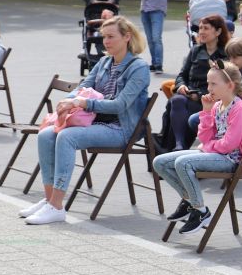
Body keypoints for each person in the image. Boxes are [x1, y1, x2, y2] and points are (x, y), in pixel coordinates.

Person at [20, 16, 150, 226]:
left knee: (66, 137)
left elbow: (120, 105)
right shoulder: (104, 61)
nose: (105, 42)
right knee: (45, 134)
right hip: (94, 123)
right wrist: (68, 101)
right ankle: (49, 199)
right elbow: (83, 87)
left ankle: (57, 207)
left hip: (121, 129)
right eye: (103, 37)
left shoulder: (139, 68)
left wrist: (81, 103)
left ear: (127, 37)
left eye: (111, 37)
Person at [154, 61, 242, 237]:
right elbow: (203, 137)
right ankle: (190, 202)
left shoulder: (239, 109)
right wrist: (207, 111)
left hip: (232, 160)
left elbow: (229, 145)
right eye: (208, 83)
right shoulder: (217, 105)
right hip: (215, 154)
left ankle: (201, 211)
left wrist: (208, 146)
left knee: (183, 164)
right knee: (160, 162)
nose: (208, 88)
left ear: (230, 85)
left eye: (213, 84)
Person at [158, 14, 228, 152]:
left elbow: (226, 83)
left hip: (210, 100)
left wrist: (201, 95)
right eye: (200, 28)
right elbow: (181, 75)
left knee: (177, 106)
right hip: (189, 95)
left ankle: (177, 146)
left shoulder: (225, 54)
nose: (201, 32)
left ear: (218, 31)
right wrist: (181, 86)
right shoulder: (196, 50)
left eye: (206, 28)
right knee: (177, 99)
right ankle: (179, 145)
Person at [135, 0, 172, 72]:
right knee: (150, 39)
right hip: (144, 10)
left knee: (156, 38)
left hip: (157, 10)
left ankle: (159, 64)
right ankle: (154, 63)